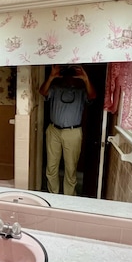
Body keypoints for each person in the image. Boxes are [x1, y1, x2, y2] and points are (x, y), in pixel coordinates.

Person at [39, 64, 96, 195]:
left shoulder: (82, 91)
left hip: (73, 132)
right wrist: (51, 77)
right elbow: (42, 92)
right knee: (51, 167)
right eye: (67, 73)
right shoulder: (55, 89)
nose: (70, 77)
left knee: (71, 168)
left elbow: (93, 96)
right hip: (54, 131)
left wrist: (86, 79)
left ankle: (69, 198)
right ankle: (53, 195)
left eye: (73, 74)